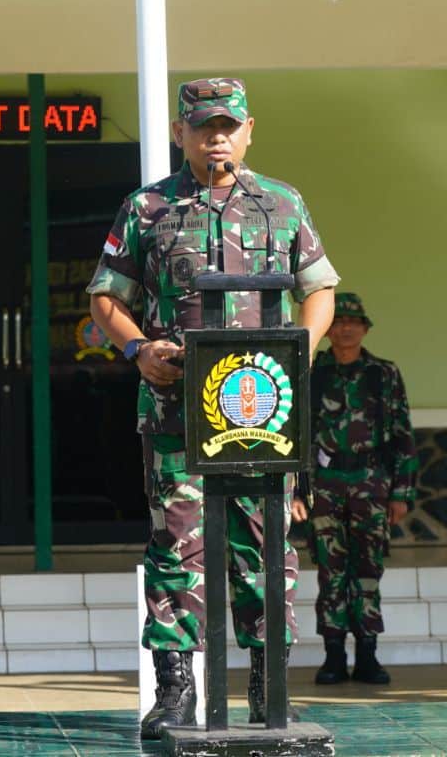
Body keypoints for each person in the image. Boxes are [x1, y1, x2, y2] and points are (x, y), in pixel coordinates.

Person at [86, 77, 338, 738]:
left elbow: (321, 290)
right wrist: (138, 348)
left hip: (262, 411)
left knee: (267, 547)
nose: (216, 136)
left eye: (228, 124)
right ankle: (175, 691)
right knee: (176, 545)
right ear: (180, 134)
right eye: (202, 126)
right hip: (177, 411)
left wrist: (297, 353)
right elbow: (106, 298)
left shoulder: (281, 205)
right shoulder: (148, 208)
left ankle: (266, 685)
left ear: (250, 129)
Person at [294, 292, 417, 686]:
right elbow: (294, 434)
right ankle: (332, 656)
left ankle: (367, 654)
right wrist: (295, 490)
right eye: (338, 321)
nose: (346, 327)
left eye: (353, 321)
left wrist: (401, 492)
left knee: (368, 571)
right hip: (325, 486)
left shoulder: (384, 373)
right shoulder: (310, 371)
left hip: (371, 485)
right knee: (330, 573)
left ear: (365, 328)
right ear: (328, 329)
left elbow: (402, 433)